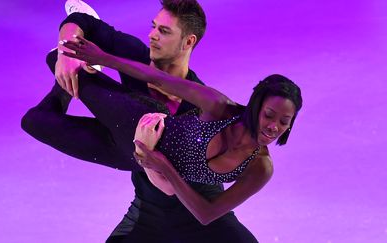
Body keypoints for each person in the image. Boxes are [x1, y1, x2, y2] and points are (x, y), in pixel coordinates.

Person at [22, 0, 259, 242]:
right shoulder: (136, 56)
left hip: (195, 209)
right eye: (154, 26)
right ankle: (73, 77)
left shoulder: (203, 105)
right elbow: (82, 21)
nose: (152, 35)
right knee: (35, 122)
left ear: (188, 42)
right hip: (148, 212)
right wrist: (65, 54)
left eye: (163, 31)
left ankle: (79, 76)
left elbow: (169, 181)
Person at [60, 35, 303, 224]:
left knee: (37, 122)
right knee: (63, 72)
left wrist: (162, 166)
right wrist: (104, 58)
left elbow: (206, 214)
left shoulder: (260, 167)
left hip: (145, 161)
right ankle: (89, 52)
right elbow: (158, 79)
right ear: (256, 106)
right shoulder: (219, 107)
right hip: (142, 121)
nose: (274, 127)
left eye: (284, 121)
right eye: (269, 115)